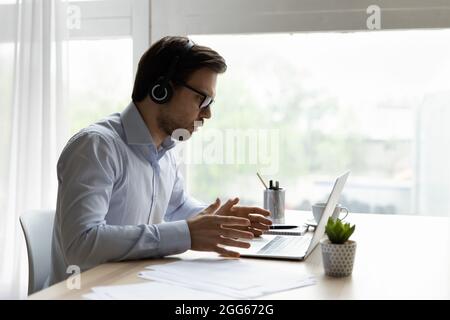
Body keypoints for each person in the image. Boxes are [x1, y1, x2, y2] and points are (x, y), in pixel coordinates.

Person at [49, 36, 272, 284]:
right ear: (161, 89)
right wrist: (186, 234)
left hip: (136, 286)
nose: (208, 113)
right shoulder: (96, 147)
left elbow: (176, 206)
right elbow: (82, 245)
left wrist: (220, 221)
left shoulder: (165, 149)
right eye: (202, 99)